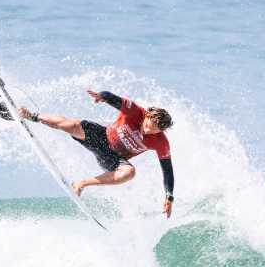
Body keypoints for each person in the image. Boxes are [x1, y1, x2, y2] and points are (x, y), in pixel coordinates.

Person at [15, 89, 175, 219]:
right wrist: (102, 96)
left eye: (155, 130)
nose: (148, 131)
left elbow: (167, 170)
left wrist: (169, 196)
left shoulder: (161, 142)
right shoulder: (135, 111)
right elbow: (112, 97)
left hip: (113, 159)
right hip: (102, 137)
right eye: (149, 125)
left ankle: (81, 184)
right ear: (147, 116)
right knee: (72, 124)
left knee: (130, 172)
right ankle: (32, 115)